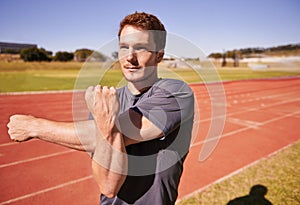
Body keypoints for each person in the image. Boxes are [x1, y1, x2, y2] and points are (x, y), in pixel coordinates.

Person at [7, 12, 194, 205]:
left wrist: (34, 126)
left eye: (141, 48)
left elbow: (99, 134)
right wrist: (105, 126)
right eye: (124, 47)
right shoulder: (108, 102)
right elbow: (107, 184)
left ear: (159, 56)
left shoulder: (176, 93)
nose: (130, 57)